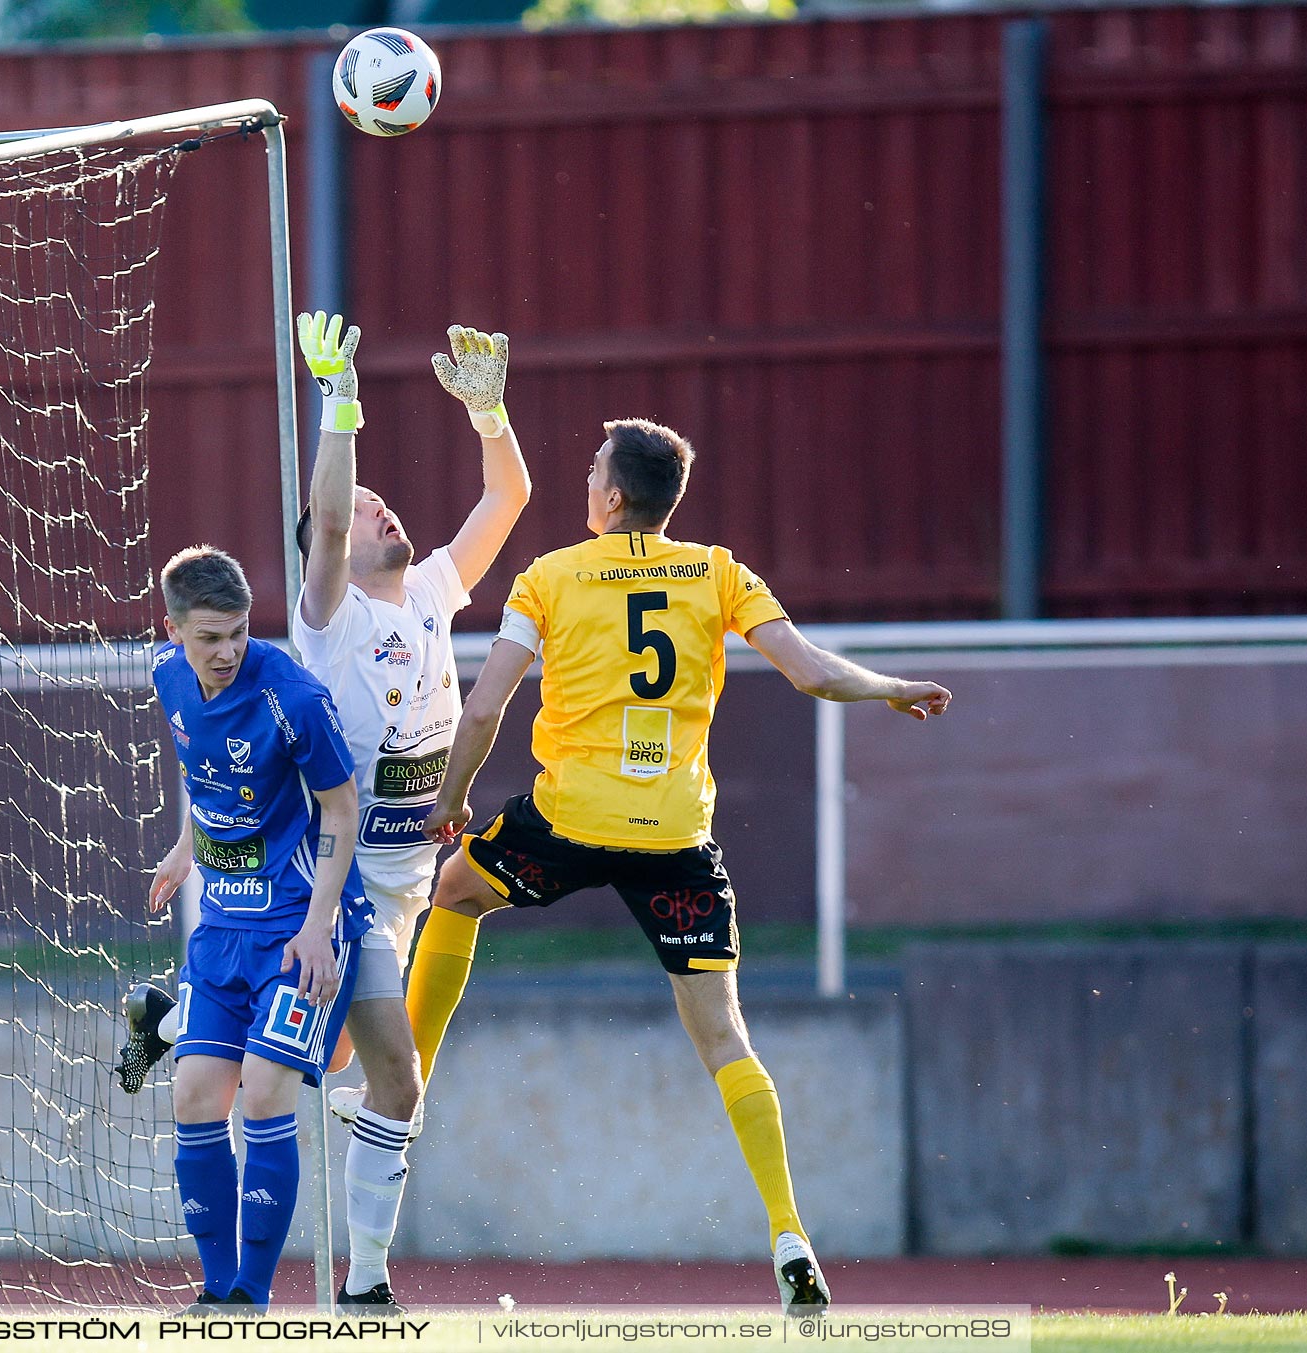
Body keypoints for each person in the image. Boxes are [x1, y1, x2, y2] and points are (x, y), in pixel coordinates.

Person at [407, 418, 952, 1317]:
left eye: (591, 472)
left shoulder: (548, 577)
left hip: (569, 819)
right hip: (674, 835)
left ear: (612, 497)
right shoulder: (717, 569)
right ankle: (788, 1231)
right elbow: (811, 673)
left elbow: (482, 709)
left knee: (456, 889)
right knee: (725, 1036)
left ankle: (408, 1087)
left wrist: (455, 802)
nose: (584, 482)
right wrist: (890, 687)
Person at [288, 312, 531, 1312]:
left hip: (405, 887)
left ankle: (174, 1015)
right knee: (394, 1085)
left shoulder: (431, 588)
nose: (384, 514)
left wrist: (489, 413)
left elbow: (509, 493)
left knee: (346, 1065)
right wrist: (338, 400)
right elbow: (333, 522)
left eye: (388, 505)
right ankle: (367, 1287)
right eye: (367, 509)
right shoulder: (329, 616)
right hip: (339, 885)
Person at [130, 545, 372, 1315]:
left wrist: (319, 926)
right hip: (222, 928)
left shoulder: (293, 696)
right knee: (195, 1094)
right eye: (209, 637)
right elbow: (211, 780)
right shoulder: (167, 677)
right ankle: (215, 1291)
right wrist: (183, 850)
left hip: (297, 929)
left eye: (238, 632)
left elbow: (340, 809)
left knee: (265, 1093)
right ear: (173, 631)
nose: (228, 650)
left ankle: (251, 1300)